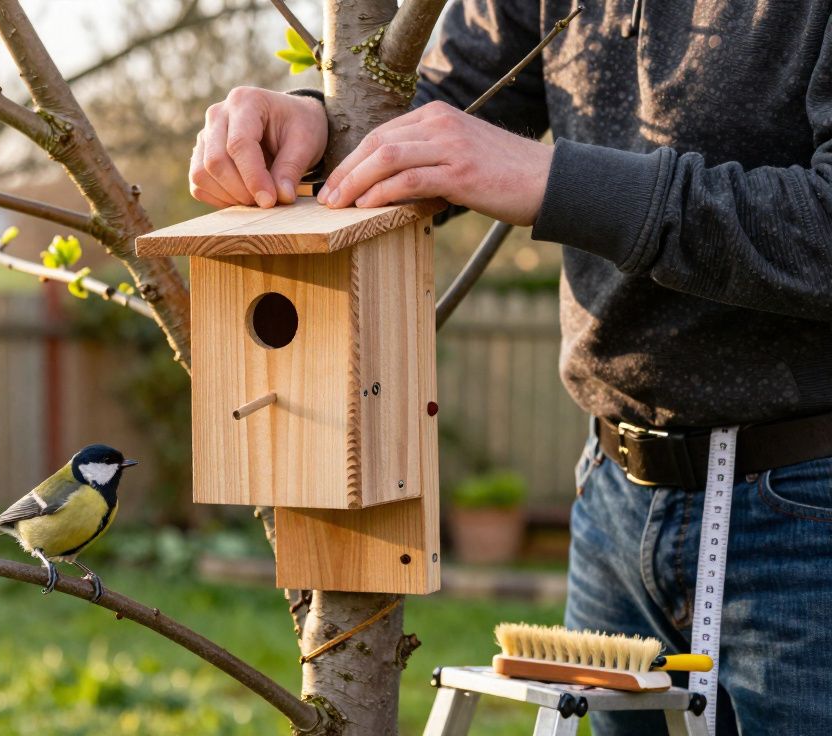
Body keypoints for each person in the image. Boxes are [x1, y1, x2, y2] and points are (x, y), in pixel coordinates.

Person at [188, 2, 832, 734]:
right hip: (614, 490)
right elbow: (443, 115)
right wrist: (315, 131)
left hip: (808, 500)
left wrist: (550, 179)